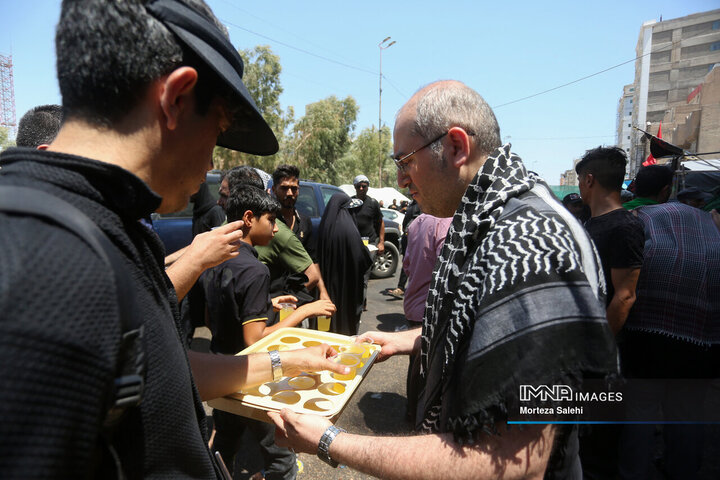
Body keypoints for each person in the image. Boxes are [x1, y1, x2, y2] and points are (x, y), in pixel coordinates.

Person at [0, 1, 344, 477]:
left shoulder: (110, 224)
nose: (211, 165)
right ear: (177, 99)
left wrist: (294, 360)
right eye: (219, 130)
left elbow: (165, 372)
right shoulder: (45, 258)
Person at [269, 80, 617, 478]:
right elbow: (483, 329)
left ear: (455, 147)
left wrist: (330, 440)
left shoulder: (526, 243)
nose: (400, 179)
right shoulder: (486, 217)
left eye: (405, 162)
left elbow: (513, 462)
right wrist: (406, 340)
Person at [201, 185, 336, 479]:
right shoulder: (256, 270)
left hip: (218, 367)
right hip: (248, 377)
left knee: (224, 443)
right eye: (271, 220)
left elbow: (216, 314)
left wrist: (266, 303)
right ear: (250, 218)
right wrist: (304, 311)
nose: (276, 228)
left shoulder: (215, 260)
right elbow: (255, 338)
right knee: (281, 459)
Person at [617, 200, 720, 480]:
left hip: (647, 343)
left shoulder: (647, 225)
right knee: (687, 414)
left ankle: (632, 473)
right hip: (701, 346)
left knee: (640, 412)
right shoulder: (712, 239)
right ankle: (683, 471)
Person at [574, 146, 644, 478]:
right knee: (583, 442)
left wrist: (597, 347)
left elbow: (625, 297)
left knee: (600, 448)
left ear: (589, 180)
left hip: (604, 356)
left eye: (579, 180)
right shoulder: (590, 223)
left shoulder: (624, 227)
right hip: (583, 351)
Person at [400, 213, 451, 424]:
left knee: (416, 360)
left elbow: (407, 264)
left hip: (413, 302)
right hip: (429, 306)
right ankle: (417, 416)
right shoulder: (447, 222)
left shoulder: (417, 222)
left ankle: (411, 410)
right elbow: (446, 269)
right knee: (425, 367)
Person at [315, 192, 372, 335]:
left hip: (326, 287)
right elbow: (361, 259)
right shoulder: (350, 228)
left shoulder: (324, 226)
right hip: (347, 288)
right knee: (344, 323)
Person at [350, 174, 385, 310]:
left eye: (364, 186)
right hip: (354, 243)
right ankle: (354, 298)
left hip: (370, 243)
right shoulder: (350, 203)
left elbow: (380, 222)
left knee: (364, 274)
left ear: (367, 187)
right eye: (358, 186)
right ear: (355, 187)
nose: (361, 188)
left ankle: (362, 301)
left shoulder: (373, 203)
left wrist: (381, 242)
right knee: (354, 273)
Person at [271, 164, 314, 258]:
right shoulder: (268, 221)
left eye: (294, 189)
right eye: (284, 188)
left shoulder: (305, 222)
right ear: (274, 190)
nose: (290, 193)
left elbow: (312, 259)